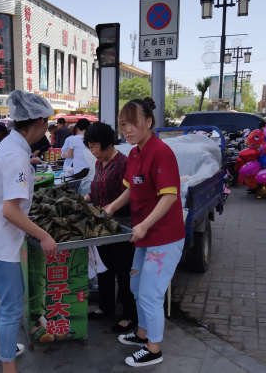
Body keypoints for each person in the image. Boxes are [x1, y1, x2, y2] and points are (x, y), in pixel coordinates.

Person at [0, 90, 57, 373]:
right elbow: (10, 211)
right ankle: (8, 366)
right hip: (0, 242)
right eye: (46, 122)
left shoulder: (11, 147)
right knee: (13, 306)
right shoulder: (16, 156)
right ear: (40, 123)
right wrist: (44, 235)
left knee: (9, 299)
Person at [105, 98, 185, 368]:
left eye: (133, 123)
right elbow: (131, 188)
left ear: (149, 122)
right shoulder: (136, 153)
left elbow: (169, 197)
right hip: (145, 236)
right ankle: (142, 334)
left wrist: (144, 224)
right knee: (136, 287)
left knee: (150, 292)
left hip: (164, 237)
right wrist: (113, 206)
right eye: (123, 124)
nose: (127, 130)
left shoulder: (161, 152)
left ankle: (154, 348)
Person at [83, 122, 137, 333]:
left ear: (108, 143)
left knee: (123, 272)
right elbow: (96, 192)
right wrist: (82, 199)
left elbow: (132, 193)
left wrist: (112, 208)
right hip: (102, 225)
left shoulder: (124, 163)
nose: (95, 151)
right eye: (90, 146)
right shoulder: (99, 164)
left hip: (122, 225)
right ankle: (106, 307)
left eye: (97, 146)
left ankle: (130, 315)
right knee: (104, 268)